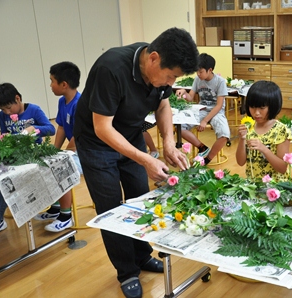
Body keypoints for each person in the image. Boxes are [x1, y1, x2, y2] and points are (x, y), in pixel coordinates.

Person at [73, 27, 198, 298]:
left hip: (130, 135)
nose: (170, 83)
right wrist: (145, 159)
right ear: (153, 58)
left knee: (139, 199)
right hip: (96, 143)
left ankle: (142, 256)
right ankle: (126, 271)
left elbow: (163, 105)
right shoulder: (112, 69)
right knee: (111, 209)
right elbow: (102, 128)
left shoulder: (159, 76)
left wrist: (167, 142)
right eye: (171, 76)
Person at [0, 83, 56, 238]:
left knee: (5, 181)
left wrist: (35, 129)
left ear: (17, 98)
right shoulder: (3, 116)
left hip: (33, 157)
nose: (6, 112)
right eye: (2, 110)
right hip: (14, 157)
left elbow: (51, 129)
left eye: (8, 108)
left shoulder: (34, 110)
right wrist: (4, 139)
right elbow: (5, 134)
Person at [34, 61, 82, 231]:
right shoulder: (63, 101)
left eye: (52, 81)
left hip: (85, 152)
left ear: (64, 84)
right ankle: (55, 208)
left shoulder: (80, 103)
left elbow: (79, 135)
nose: (50, 85)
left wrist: (64, 154)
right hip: (72, 150)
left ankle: (66, 215)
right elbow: (61, 127)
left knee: (60, 169)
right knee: (47, 164)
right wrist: (54, 151)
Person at [176, 53, 230, 165]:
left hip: (216, 112)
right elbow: (190, 97)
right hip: (201, 109)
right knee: (180, 127)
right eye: (197, 71)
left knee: (224, 135)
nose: (198, 74)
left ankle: (207, 160)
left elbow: (219, 105)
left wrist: (205, 121)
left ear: (210, 70)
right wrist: (184, 93)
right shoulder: (197, 79)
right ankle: (202, 147)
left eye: (201, 72)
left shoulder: (220, 82)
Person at [236, 80, 292, 182]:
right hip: (253, 186)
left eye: (262, 108)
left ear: (273, 106)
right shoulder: (249, 127)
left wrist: (264, 149)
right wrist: (242, 139)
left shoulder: (281, 130)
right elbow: (240, 162)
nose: (256, 113)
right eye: (252, 107)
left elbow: (283, 168)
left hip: (275, 189)